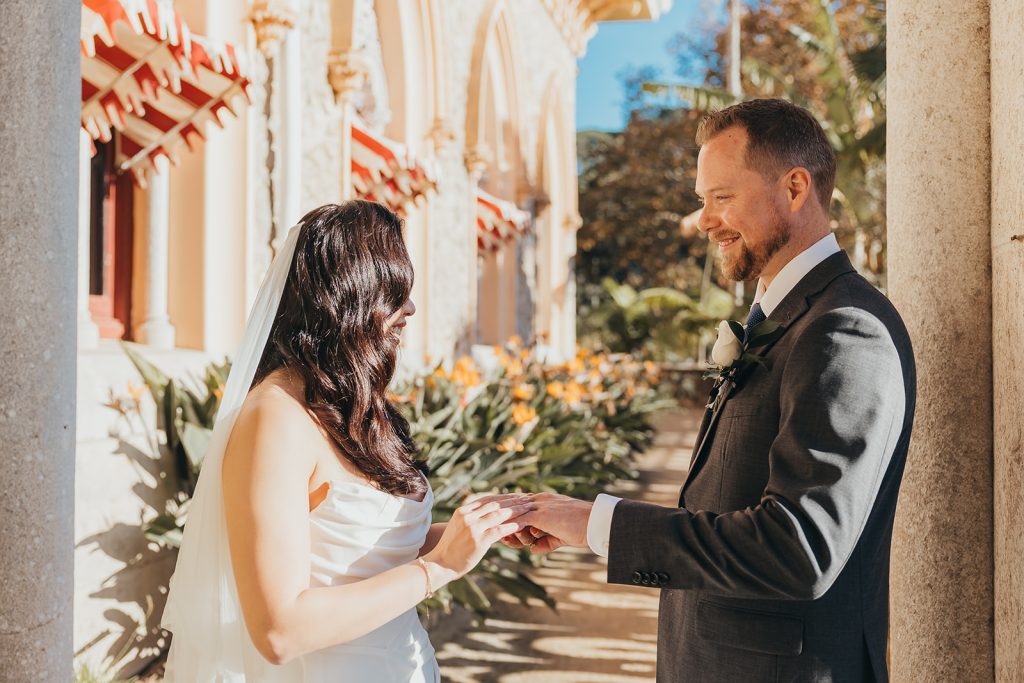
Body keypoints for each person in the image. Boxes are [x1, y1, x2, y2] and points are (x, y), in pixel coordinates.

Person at [510, 98, 916, 682]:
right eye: (703, 201)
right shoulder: (784, 319)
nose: (704, 220)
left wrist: (601, 524)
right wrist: (578, 517)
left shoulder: (844, 329)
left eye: (721, 197)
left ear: (796, 188)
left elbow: (799, 547)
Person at [160, 201, 533, 681]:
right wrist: (440, 569)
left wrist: (481, 532)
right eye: (396, 291)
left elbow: (366, 554)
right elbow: (280, 631)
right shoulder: (275, 419)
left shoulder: (347, 405)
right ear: (348, 296)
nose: (411, 308)